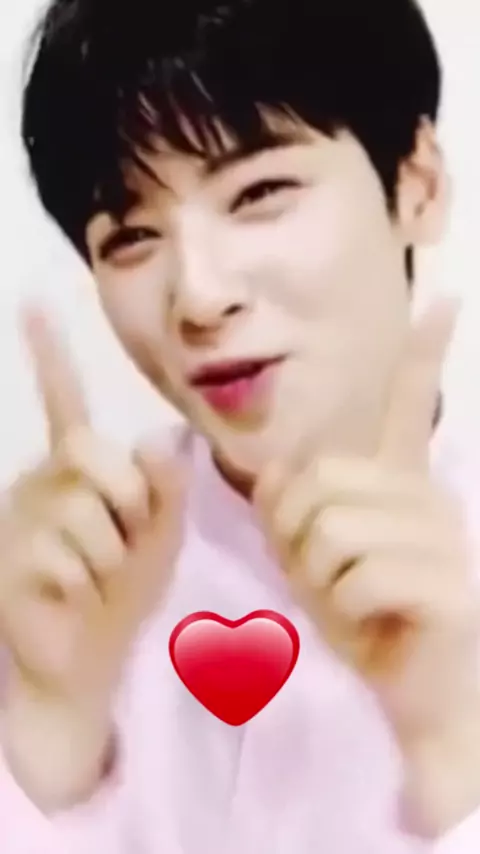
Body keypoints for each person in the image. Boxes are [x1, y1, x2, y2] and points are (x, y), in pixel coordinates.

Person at [1, 0, 480, 850]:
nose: (199, 295)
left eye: (259, 194)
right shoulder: (68, 577)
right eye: (132, 236)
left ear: (418, 185)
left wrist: (454, 748)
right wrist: (47, 731)